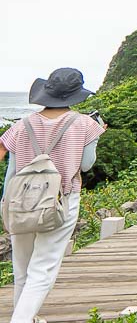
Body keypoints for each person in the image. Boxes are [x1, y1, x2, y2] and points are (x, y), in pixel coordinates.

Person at [0, 67, 105, 323]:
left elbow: (12, 170)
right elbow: (86, 166)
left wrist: (5, 203)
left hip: (19, 201)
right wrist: (96, 137)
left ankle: (27, 317)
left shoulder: (21, 125)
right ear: (75, 96)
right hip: (61, 199)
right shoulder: (86, 125)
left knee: (22, 268)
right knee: (43, 268)